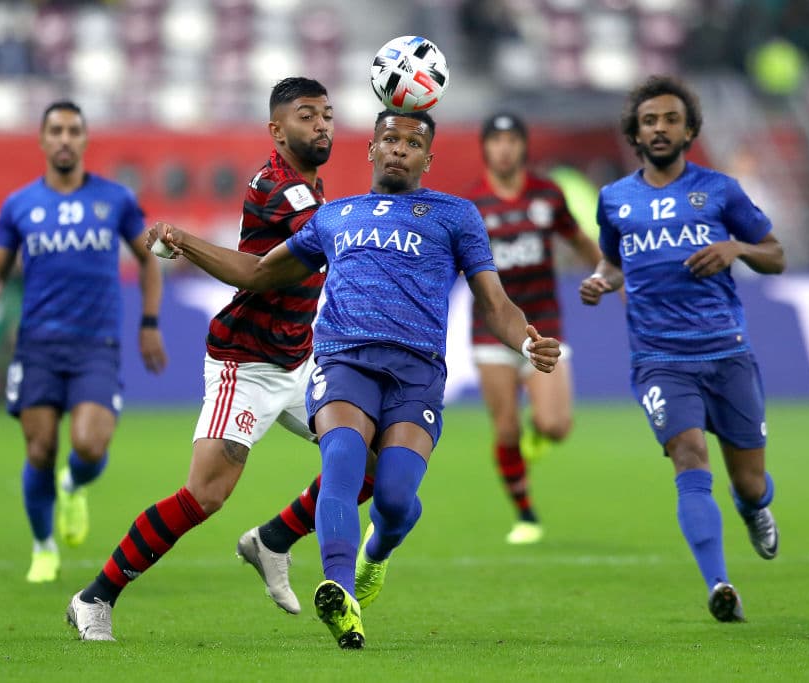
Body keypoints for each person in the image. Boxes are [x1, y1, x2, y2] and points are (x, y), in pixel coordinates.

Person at [143, 109, 561, 649]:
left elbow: (496, 304)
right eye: (389, 139)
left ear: (428, 159)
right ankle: (340, 594)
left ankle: (376, 554)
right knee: (340, 463)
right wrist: (187, 242)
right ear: (370, 149)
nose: (399, 149)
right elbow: (257, 272)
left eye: (413, 143)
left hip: (417, 373)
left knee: (392, 498)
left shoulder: (456, 217)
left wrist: (527, 340)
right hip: (344, 362)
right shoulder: (334, 216)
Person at [65, 77, 351, 641]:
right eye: (306, 116)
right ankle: (94, 597)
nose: (321, 125)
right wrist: (188, 241)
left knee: (365, 455)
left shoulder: (313, 188)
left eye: (327, 115)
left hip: (299, 358)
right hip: (246, 362)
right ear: (277, 129)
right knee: (206, 495)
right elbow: (256, 272)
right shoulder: (279, 187)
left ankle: (272, 540)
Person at [579, 75, 784, 622]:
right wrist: (602, 280)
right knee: (688, 457)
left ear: (689, 128)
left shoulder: (721, 191)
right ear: (635, 133)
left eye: (670, 119)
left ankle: (754, 507)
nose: (660, 128)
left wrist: (735, 247)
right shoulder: (615, 200)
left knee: (749, 480)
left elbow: (776, 254)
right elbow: (613, 261)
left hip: (727, 352)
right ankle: (720, 584)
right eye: (649, 121)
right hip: (660, 360)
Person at [0, 100, 168, 584]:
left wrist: (150, 322)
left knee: (91, 445)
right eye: (55, 130)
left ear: (84, 139)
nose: (64, 139)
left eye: (73, 130)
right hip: (38, 345)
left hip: (96, 344)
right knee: (39, 450)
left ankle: (73, 484)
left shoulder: (115, 199)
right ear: (41, 139)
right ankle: (43, 546)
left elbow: (148, 260)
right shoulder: (19, 205)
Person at [463, 113, 602, 544]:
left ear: (523, 146)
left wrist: (606, 274)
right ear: (485, 148)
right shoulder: (472, 207)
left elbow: (578, 240)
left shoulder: (547, 194)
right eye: (496, 140)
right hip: (492, 331)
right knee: (505, 428)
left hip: (543, 325)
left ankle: (538, 439)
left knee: (556, 424)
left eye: (512, 140)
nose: (504, 148)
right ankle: (526, 514)